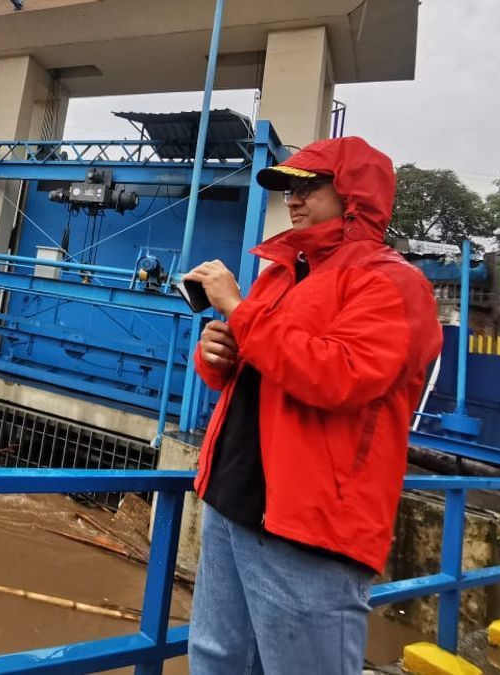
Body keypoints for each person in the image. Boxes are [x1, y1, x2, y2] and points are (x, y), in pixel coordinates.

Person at [182, 136, 442, 674]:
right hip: (232, 499)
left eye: (309, 187)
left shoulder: (393, 283)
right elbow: (262, 366)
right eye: (287, 189)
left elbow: (337, 377)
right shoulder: (283, 274)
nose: (293, 201)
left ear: (354, 195)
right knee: (216, 660)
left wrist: (237, 306)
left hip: (310, 525)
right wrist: (217, 355)